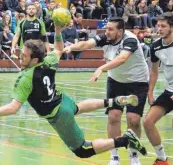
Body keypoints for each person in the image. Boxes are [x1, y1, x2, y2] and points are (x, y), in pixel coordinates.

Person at [0, 25, 147, 159]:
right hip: (62, 101)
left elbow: (13, 108)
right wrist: (59, 31)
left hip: (58, 115)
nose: (20, 55)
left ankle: (125, 139)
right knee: (77, 108)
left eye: (24, 54)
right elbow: (59, 49)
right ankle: (114, 102)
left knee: (83, 150)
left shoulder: (25, 79)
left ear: (35, 59)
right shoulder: (49, 61)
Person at [64, 17, 149, 165]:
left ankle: (133, 155)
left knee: (133, 119)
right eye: (106, 28)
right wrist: (71, 48)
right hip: (116, 81)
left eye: (110, 29)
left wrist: (101, 68)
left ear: (120, 31)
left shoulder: (130, 40)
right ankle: (114, 156)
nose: (107, 32)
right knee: (113, 116)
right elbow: (87, 44)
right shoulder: (106, 38)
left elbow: (122, 58)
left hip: (137, 82)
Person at [143, 12, 173, 165]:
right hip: (169, 92)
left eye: (163, 26)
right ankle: (162, 159)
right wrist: (150, 91)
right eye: (158, 26)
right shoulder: (155, 47)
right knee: (148, 122)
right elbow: (154, 70)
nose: (159, 29)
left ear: (172, 28)